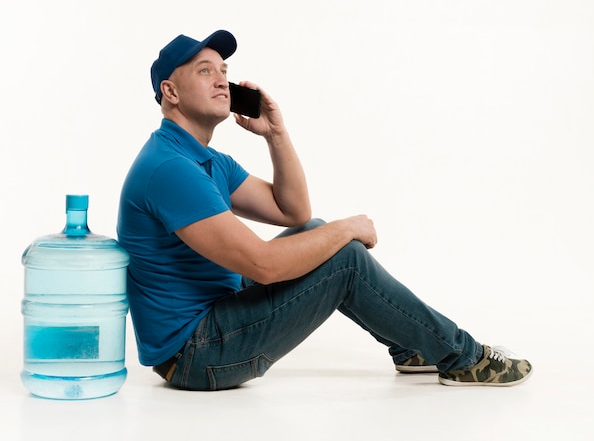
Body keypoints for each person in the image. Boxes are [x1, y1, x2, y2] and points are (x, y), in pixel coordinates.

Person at [117, 30, 532, 391]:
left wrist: (276, 134)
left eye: (224, 70)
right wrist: (347, 228)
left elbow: (293, 212)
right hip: (196, 354)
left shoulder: (204, 160)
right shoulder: (171, 170)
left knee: (315, 231)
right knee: (344, 257)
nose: (222, 79)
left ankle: (413, 347)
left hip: (214, 321)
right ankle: (465, 358)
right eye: (205, 70)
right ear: (170, 92)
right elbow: (263, 266)